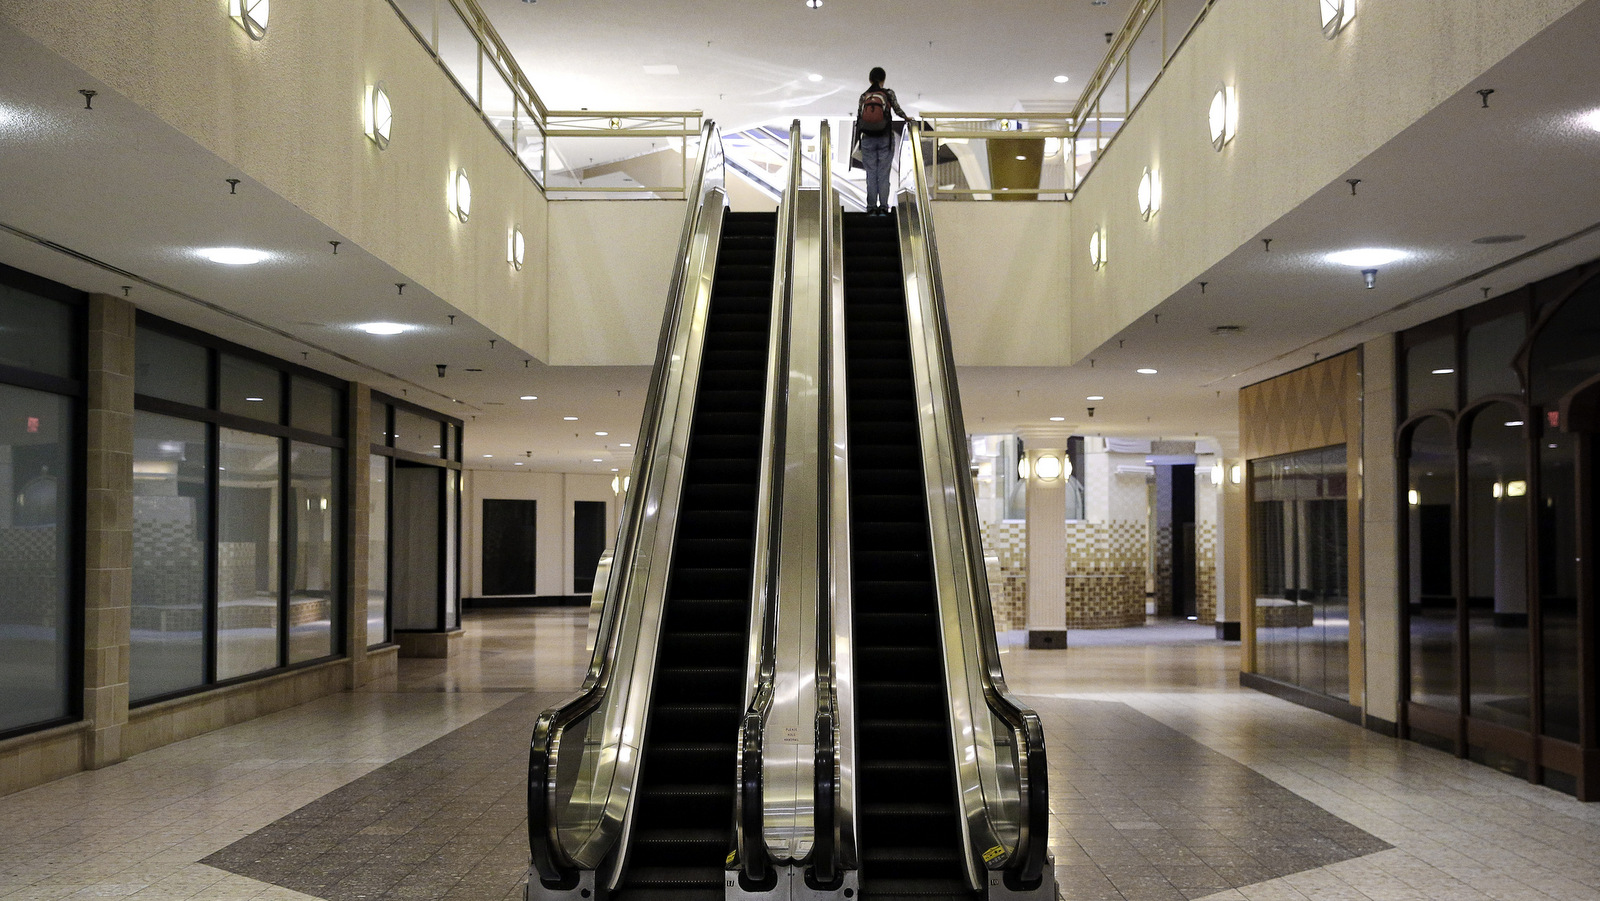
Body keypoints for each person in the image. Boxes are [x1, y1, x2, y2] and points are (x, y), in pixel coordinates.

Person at [854, 67, 914, 216]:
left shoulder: (864, 96)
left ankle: (871, 208)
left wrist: (858, 139)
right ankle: (883, 208)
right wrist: (906, 118)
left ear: (870, 79)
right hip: (885, 139)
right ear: (883, 80)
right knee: (883, 174)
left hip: (867, 139)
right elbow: (898, 110)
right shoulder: (888, 94)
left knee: (871, 174)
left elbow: (859, 118)